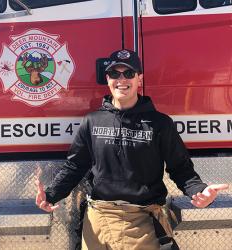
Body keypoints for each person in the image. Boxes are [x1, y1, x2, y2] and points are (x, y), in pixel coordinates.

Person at [35, 49, 228, 249]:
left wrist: (199, 190)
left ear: (139, 79)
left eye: (128, 73)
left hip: (142, 222)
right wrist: (51, 194)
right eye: (115, 74)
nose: (122, 79)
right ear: (107, 79)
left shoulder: (160, 123)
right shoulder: (92, 121)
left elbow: (180, 168)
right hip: (97, 222)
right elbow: (75, 166)